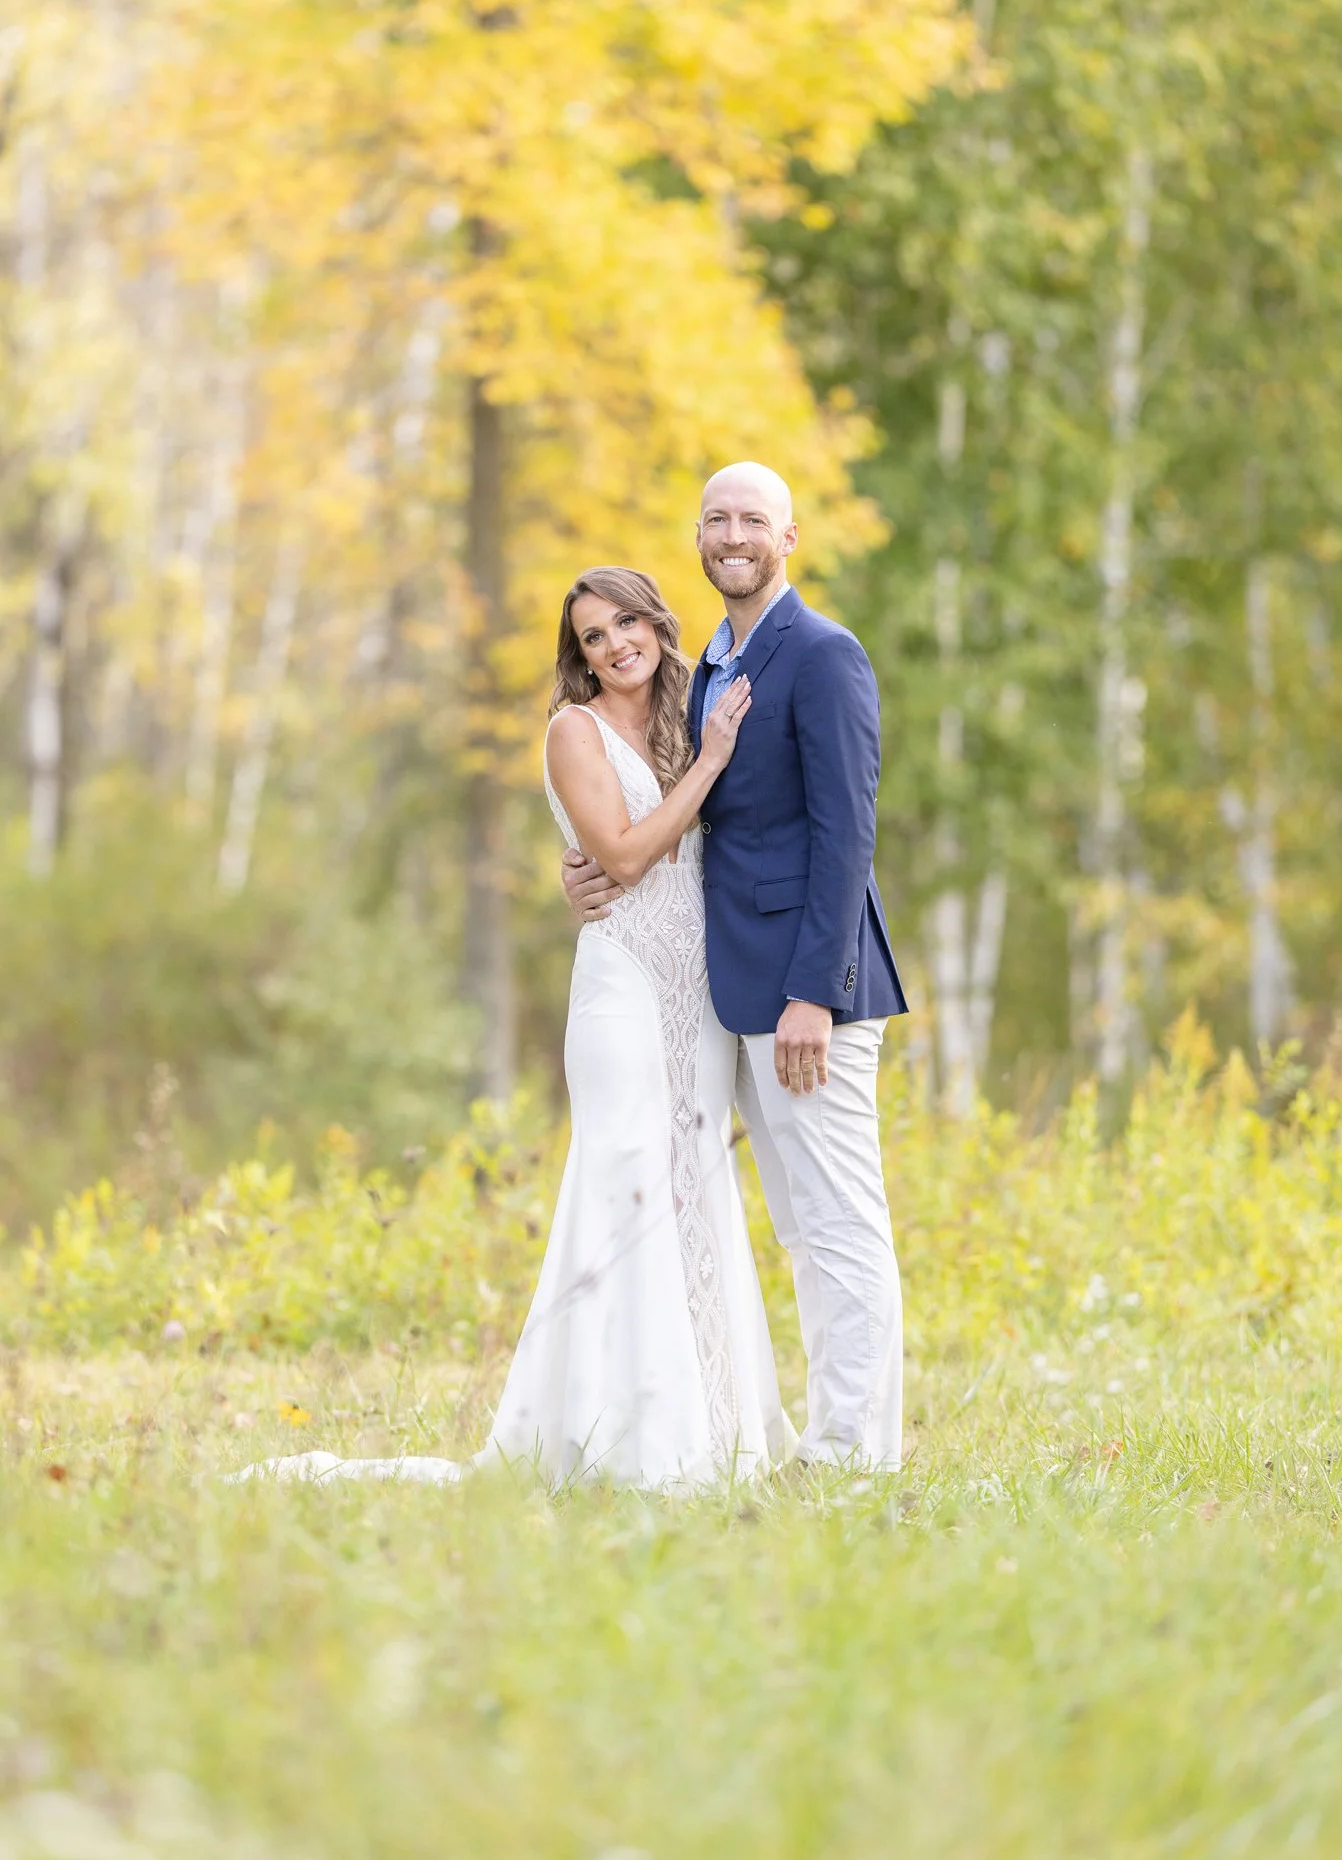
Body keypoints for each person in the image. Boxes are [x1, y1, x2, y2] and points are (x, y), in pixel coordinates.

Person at [233, 565, 789, 1491]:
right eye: (592, 638)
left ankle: (716, 1428)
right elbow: (620, 855)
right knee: (626, 1194)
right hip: (623, 997)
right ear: (577, 655)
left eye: (626, 625)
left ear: (656, 623)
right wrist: (709, 766)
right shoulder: (573, 732)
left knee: (697, 1194)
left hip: (699, 1004)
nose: (615, 647)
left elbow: (711, 844)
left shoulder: (691, 712)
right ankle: (627, 1443)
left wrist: (706, 759)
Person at [563, 463, 908, 1471]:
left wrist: (815, 991)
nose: (732, 533)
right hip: (737, 987)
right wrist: (583, 864)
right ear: (699, 538)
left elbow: (848, 832)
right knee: (802, 1226)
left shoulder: (823, 653)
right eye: (715, 518)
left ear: (788, 536)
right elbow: (677, 814)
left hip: (810, 993)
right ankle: (821, 1437)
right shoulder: (707, 665)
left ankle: (853, 1454)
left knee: (841, 1220)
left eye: (752, 517)